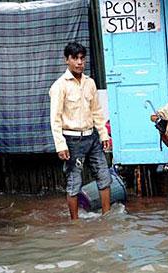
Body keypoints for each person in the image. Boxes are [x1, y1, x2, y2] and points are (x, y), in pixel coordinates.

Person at [49, 42, 111, 219]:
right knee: (74, 181)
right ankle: (75, 223)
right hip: (72, 140)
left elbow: (97, 111)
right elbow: (55, 119)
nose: (79, 62)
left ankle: (107, 218)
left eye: (82, 59)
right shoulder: (59, 86)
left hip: (91, 137)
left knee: (103, 175)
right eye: (75, 58)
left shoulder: (89, 83)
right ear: (66, 60)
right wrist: (60, 145)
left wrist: (103, 134)